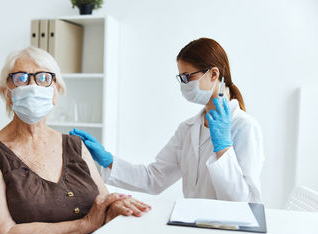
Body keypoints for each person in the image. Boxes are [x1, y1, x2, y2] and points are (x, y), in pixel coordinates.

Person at [0, 46, 151, 234]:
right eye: (22, 78)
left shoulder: (75, 145)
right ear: (7, 93)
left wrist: (117, 207)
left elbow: (103, 206)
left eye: (44, 78)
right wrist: (85, 224)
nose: (33, 86)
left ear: (56, 92)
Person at [71, 38, 264, 202]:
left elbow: (244, 202)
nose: (183, 85)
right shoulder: (188, 129)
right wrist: (109, 161)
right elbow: (154, 179)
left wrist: (223, 148)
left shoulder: (244, 126)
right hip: (193, 227)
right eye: (181, 78)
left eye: (187, 77)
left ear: (213, 74)